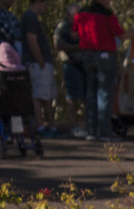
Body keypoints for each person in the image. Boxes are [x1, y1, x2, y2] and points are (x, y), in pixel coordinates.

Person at [73, 0, 123, 141]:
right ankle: (105, 132)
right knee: (105, 94)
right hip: (105, 56)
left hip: (87, 55)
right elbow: (120, 34)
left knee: (91, 93)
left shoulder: (81, 14)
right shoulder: (107, 15)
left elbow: (74, 33)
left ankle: (91, 131)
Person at [20, 0, 55, 134]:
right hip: (37, 64)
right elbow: (32, 40)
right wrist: (40, 61)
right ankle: (40, 126)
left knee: (47, 95)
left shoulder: (32, 18)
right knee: (39, 96)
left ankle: (51, 126)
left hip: (40, 63)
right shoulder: (29, 17)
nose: (45, 6)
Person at [54, 2, 84, 135]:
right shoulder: (63, 27)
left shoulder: (83, 27)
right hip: (71, 64)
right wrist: (76, 47)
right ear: (70, 15)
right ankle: (73, 125)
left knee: (87, 95)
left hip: (85, 65)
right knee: (72, 96)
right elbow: (58, 44)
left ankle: (87, 125)